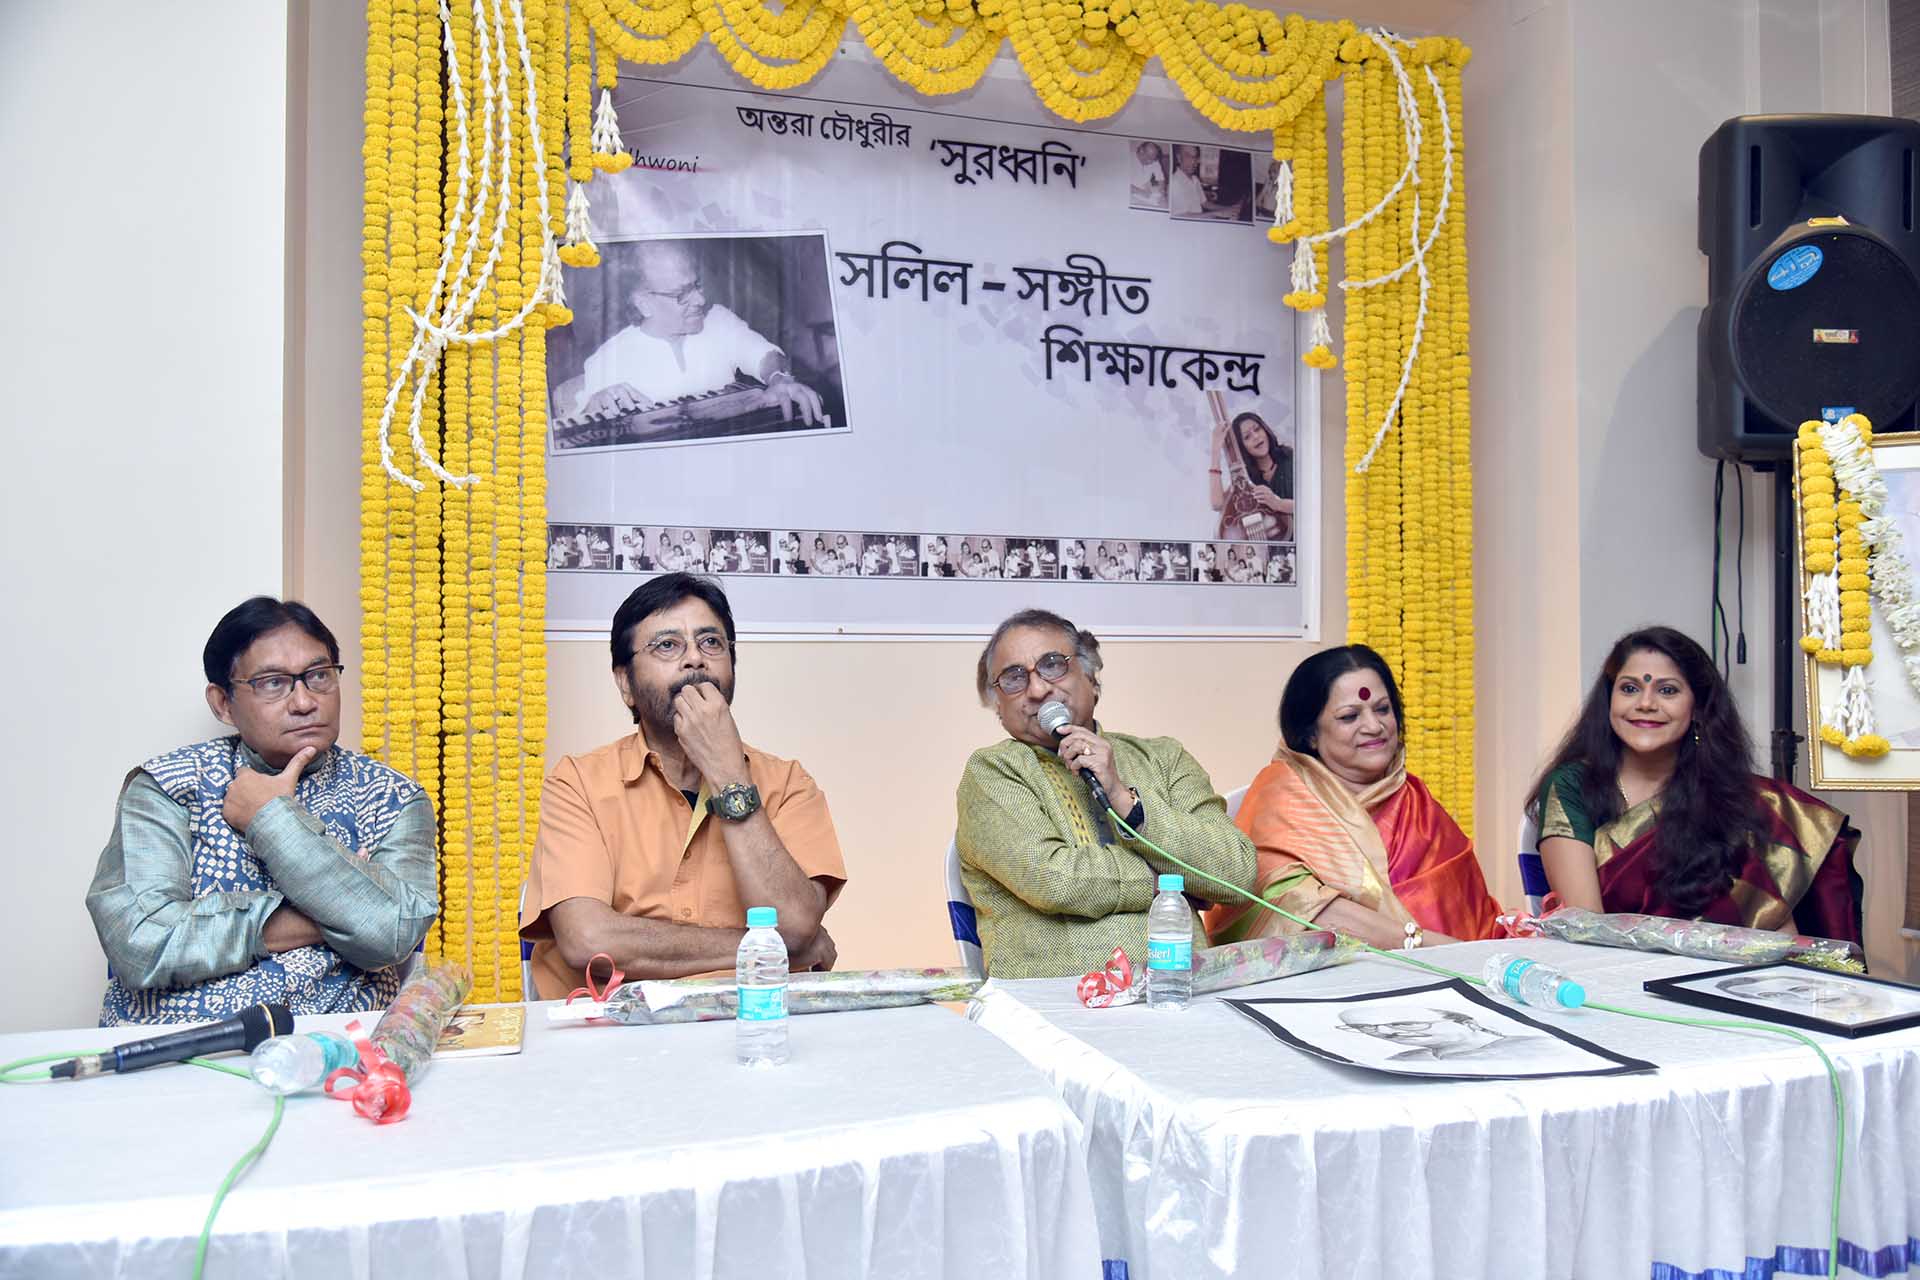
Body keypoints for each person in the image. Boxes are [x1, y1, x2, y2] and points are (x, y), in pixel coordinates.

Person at [85, 598, 437, 1025]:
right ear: (223, 703)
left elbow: (392, 933)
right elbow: (142, 944)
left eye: (319, 676)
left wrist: (270, 817)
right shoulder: (167, 787)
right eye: (273, 683)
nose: (304, 701)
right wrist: (336, 908)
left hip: (337, 1051)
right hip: (172, 1047)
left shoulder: (393, 796)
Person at [520, 574, 845, 997]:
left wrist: (729, 775)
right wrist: (769, 949)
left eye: (711, 643)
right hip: (609, 1034)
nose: (695, 659)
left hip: (753, 1022)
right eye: (668, 645)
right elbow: (590, 941)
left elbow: (796, 926)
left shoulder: (788, 784)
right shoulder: (578, 783)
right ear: (625, 684)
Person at [955, 609, 1256, 978]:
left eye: (1053, 665)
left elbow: (1237, 873)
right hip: (1055, 1007)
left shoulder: (1164, 758)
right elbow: (1056, 880)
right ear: (999, 709)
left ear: (1092, 679)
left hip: (1182, 993)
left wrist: (1122, 797)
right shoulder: (992, 772)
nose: (1037, 690)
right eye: (1014, 679)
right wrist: (1174, 883)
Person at [1530, 626, 1861, 940]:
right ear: (1609, 702)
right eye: (1629, 688)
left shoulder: (1740, 800)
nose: (1645, 703)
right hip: (1613, 976)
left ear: (1699, 708)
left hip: (1726, 978)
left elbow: (1775, 928)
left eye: (1667, 690)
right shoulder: (1574, 786)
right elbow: (1587, 925)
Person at [1207, 646, 1503, 949]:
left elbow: (1473, 920)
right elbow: (1302, 907)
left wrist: (1469, 959)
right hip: (1329, 981)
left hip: (1459, 973)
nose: (1374, 726)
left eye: (1383, 709)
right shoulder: (1282, 799)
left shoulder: (1419, 806)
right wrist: (1437, 950)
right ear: (1310, 734)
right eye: (1349, 716)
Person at [554, 239, 825, 427]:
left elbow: (763, 354)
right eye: (682, 294)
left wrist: (780, 378)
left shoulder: (718, 321)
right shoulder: (609, 359)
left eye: (697, 285)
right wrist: (593, 409)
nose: (699, 300)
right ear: (643, 303)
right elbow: (580, 420)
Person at [1336, 1005, 1562, 1064]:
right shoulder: (1404, 1061)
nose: (1389, 1033)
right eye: (1369, 1029)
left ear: (1468, 1022)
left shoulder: (1536, 1048)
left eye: (1408, 1024)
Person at [1210, 411, 1294, 540]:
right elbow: (1217, 504)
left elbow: (1311, 504)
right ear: (1242, 447)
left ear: (1265, 430)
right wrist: (1215, 450)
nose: (1255, 436)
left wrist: (1278, 504)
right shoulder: (1246, 479)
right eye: (1247, 437)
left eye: (1257, 429)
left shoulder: (1292, 459)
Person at [1129, 140, 1168, 209]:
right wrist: (1140, 192)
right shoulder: (1128, 157)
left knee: (1164, 205)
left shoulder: (1154, 161)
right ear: (1141, 151)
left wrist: (1162, 191)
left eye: (1153, 159)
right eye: (1149, 158)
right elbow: (1121, 184)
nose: (1151, 162)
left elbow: (1160, 180)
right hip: (1132, 195)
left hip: (1149, 196)